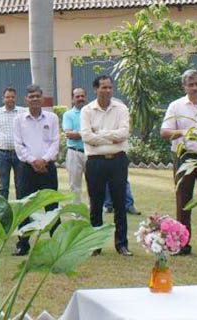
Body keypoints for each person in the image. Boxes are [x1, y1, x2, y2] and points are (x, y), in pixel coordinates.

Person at [160, 69, 197, 256]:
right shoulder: (176, 106)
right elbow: (164, 132)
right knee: (183, 202)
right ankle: (181, 245)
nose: (194, 88)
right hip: (184, 156)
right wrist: (183, 132)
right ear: (184, 87)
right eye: (190, 84)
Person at [82, 75, 133, 257]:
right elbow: (87, 137)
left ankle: (122, 244)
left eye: (110, 87)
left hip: (118, 160)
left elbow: (124, 134)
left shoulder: (121, 108)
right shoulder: (87, 110)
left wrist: (100, 134)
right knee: (95, 204)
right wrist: (112, 137)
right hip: (95, 162)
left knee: (120, 203)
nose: (108, 91)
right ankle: (95, 245)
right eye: (103, 87)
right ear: (95, 89)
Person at [11, 84, 60, 256]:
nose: (34, 99)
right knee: (25, 207)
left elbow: (55, 142)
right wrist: (33, 161)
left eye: (37, 96)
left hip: (48, 169)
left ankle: (57, 244)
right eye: (31, 96)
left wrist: (44, 160)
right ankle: (22, 244)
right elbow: (18, 144)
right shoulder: (18, 120)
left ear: (42, 98)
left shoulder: (52, 118)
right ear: (26, 100)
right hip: (26, 169)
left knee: (52, 206)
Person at [0, 87, 26, 200]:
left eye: (12, 97)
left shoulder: (22, 112)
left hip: (19, 154)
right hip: (2, 154)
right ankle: (3, 213)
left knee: (20, 185)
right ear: (3, 99)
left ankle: (22, 215)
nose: (10, 99)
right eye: (7, 97)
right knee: (3, 186)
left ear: (16, 98)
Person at [61, 88, 87, 204]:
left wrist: (79, 133)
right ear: (72, 99)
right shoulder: (68, 115)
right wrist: (87, 134)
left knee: (94, 184)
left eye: (82, 96)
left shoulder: (90, 112)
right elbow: (69, 134)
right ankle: (76, 214)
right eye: (77, 96)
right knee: (75, 186)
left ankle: (94, 214)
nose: (80, 98)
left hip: (90, 152)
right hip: (74, 153)